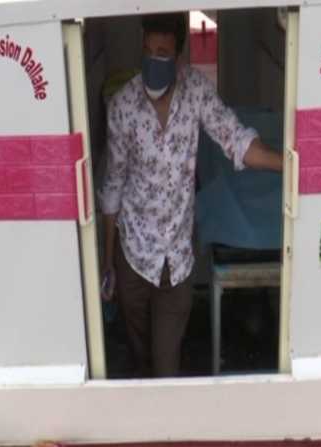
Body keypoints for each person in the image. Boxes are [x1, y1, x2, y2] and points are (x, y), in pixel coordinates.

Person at [98, 13, 282, 377]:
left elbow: (237, 141)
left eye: (162, 52)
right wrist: (108, 263)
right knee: (139, 356)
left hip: (177, 259)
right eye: (147, 51)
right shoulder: (122, 105)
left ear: (178, 57)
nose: (153, 60)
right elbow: (113, 187)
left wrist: (291, 164)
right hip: (132, 253)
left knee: (167, 366)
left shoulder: (196, 91)